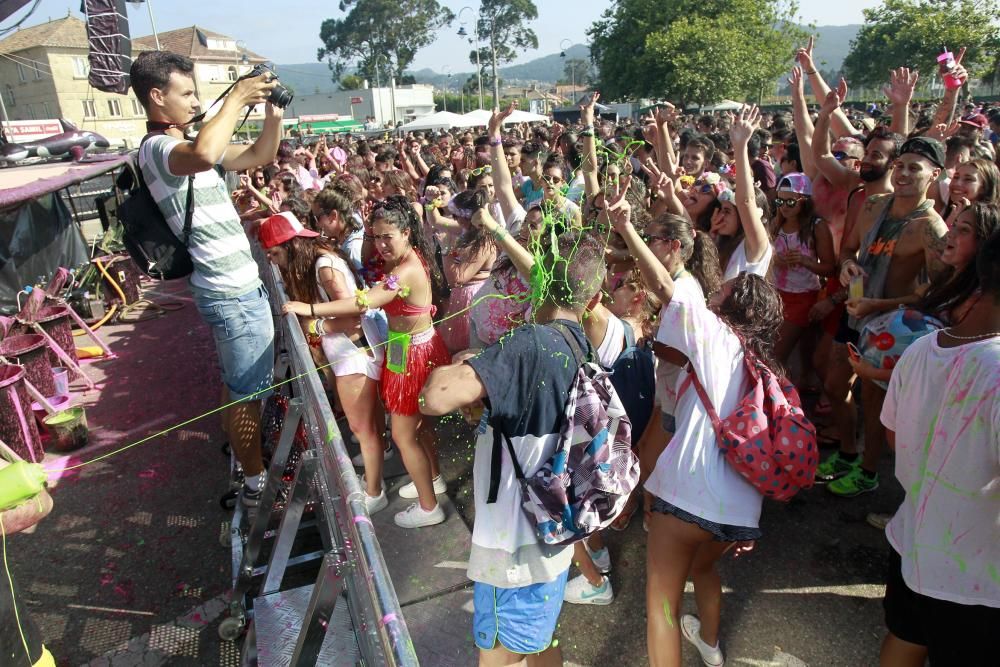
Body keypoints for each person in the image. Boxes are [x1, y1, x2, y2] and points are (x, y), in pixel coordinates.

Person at [419, 228, 608, 667]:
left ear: (536, 281)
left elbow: (436, 398)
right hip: (550, 541)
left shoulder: (530, 343)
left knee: (497, 655)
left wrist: (459, 368)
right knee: (539, 641)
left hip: (513, 554)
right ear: (593, 299)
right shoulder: (581, 341)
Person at [607, 183, 774, 667]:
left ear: (729, 311)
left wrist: (624, 228)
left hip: (687, 496)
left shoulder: (716, 336)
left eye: (719, 293)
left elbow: (665, 288)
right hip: (741, 507)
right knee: (705, 573)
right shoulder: (764, 363)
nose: (711, 293)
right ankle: (711, 645)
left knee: (661, 603)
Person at [129, 50, 283, 506]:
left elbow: (261, 153)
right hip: (231, 294)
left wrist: (271, 113)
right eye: (188, 92)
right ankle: (255, 485)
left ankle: (245, 459)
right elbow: (205, 152)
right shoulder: (160, 149)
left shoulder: (189, 145)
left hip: (236, 291)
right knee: (246, 394)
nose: (197, 102)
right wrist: (235, 95)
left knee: (242, 387)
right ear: (157, 97)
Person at [283, 196, 450, 528]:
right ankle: (433, 479)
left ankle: (430, 508)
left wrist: (311, 311)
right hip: (411, 349)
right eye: (376, 236)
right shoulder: (405, 258)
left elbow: (363, 302)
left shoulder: (405, 270)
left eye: (388, 236)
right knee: (417, 429)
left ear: (406, 232)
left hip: (414, 355)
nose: (381, 244)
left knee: (403, 437)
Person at [877, 230, 1000, 666]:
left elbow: (894, 436)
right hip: (977, 580)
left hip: (913, 539)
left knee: (906, 638)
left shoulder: (924, 348)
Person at [822, 136, 950, 497]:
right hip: (856, 311)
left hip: (893, 326)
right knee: (835, 385)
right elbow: (848, 250)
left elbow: (938, 294)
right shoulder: (873, 205)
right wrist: (847, 266)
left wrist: (880, 306)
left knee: (876, 402)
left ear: (934, 175)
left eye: (915, 168)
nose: (904, 174)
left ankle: (867, 472)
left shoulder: (931, 227)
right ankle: (847, 454)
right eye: (900, 166)